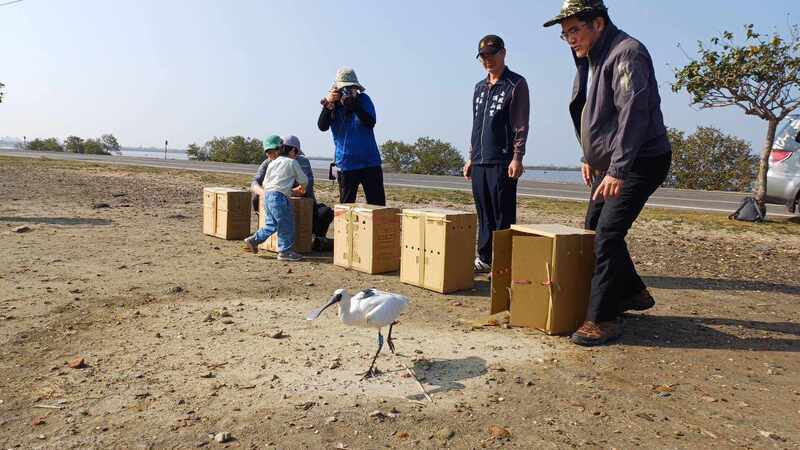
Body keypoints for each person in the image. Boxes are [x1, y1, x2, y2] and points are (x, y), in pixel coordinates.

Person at [544, 0, 672, 346]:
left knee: (608, 234)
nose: (569, 39)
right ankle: (633, 293)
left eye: (574, 30)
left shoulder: (626, 53)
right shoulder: (592, 58)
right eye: (564, 33)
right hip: (611, 162)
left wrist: (617, 169)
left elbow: (634, 114)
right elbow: (591, 112)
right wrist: (590, 155)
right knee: (593, 229)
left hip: (639, 161)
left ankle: (603, 319)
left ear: (598, 23)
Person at [463, 35, 530, 273]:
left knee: (503, 214)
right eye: (483, 57)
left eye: (492, 55)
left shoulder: (516, 84)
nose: (487, 60)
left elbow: (521, 124)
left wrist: (517, 157)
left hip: (503, 160)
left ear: (503, 53)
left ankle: (503, 262)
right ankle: (484, 257)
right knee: (484, 212)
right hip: (480, 159)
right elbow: (476, 124)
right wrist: (471, 156)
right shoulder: (479, 87)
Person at [318, 67, 386, 206]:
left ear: (356, 87)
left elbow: (370, 122)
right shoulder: (332, 105)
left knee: (377, 206)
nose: (347, 92)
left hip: (370, 162)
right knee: (346, 207)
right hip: (346, 164)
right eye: (343, 89)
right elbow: (322, 126)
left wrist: (354, 105)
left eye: (350, 88)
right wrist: (328, 105)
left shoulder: (364, 100)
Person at [244, 135, 308, 261]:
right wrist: (302, 187)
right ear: (292, 151)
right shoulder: (292, 162)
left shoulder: (273, 163)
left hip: (268, 196)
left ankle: (253, 240)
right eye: (296, 152)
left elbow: (266, 182)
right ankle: (285, 251)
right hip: (280, 197)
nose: (296, 155)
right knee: (286, 224)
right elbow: (304, 179)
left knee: (271, 224)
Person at [280, 135, 334, 251]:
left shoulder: (302, 161)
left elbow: (307, 185)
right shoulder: (277, 161)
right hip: (286, 203)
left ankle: (318, 238)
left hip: (307, 205)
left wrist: (291, 190)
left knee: (325, 212)